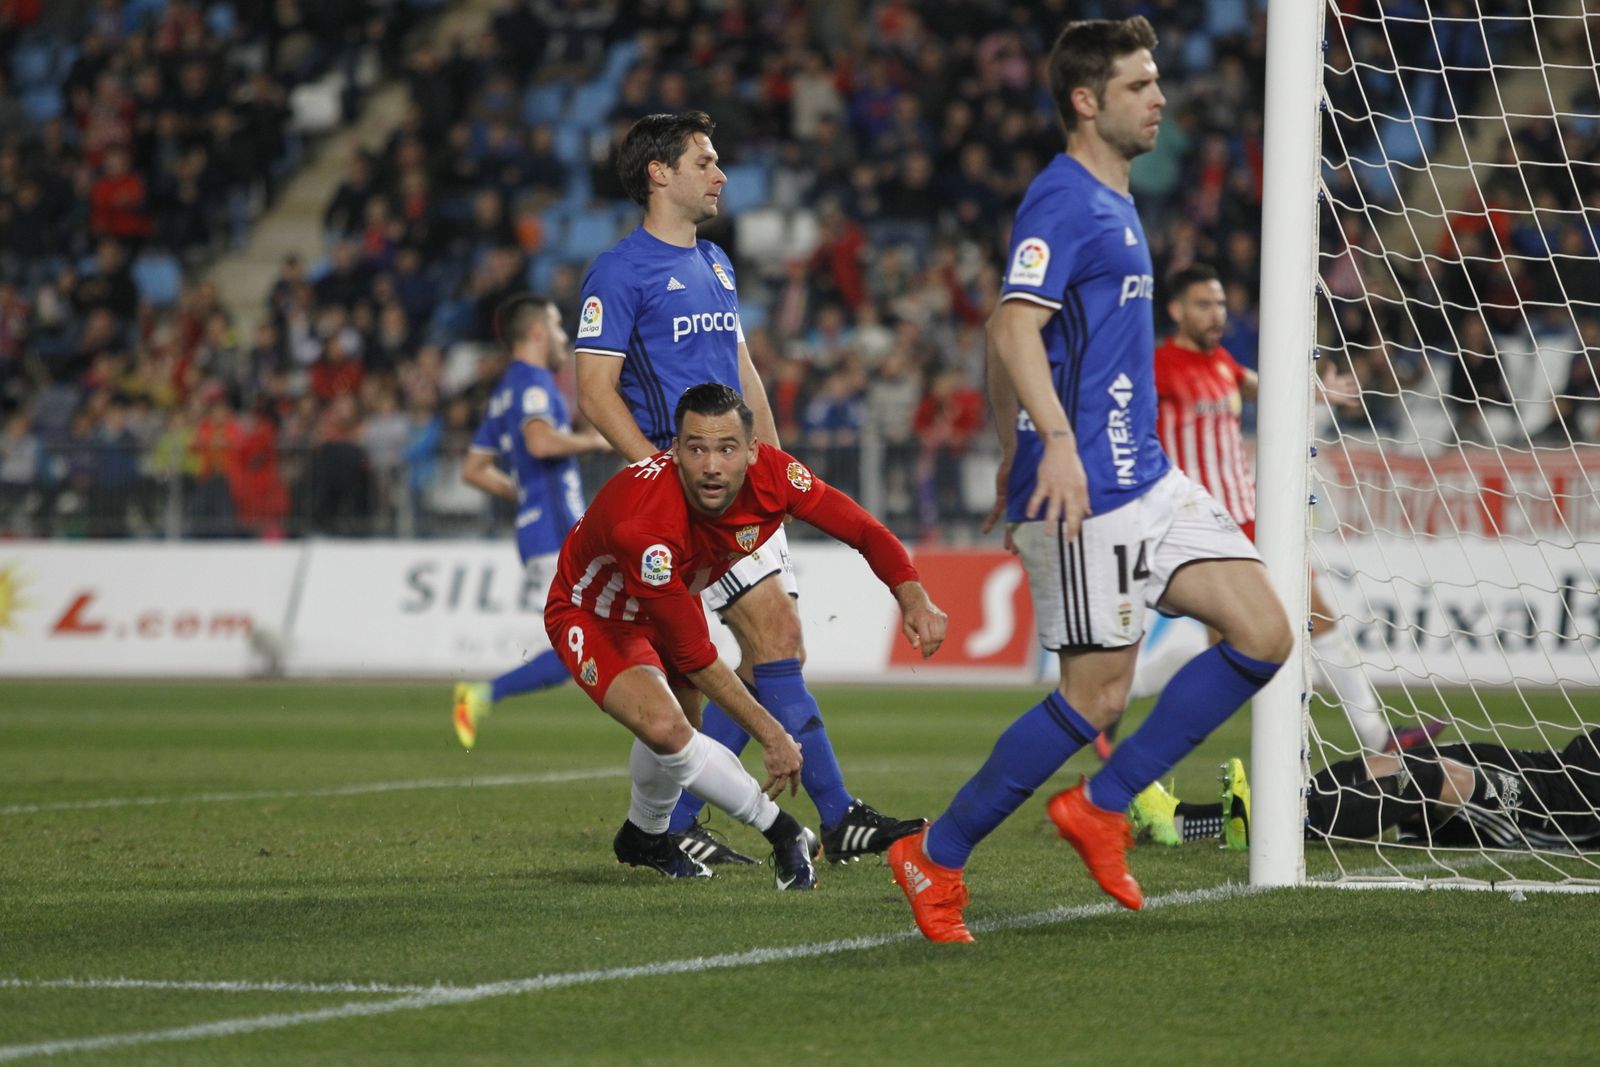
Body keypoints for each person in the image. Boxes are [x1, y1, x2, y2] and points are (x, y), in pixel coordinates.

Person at [887, 16, 1293, 944]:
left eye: (1157, 81)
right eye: (1139, 85)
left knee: (1266, 630)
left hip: (1147, 475)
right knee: (1096, 697)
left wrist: (1009, 447)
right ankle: (935, 854)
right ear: (1085, 100)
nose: (1160, 99)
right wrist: (1052, 448)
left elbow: (1007, 331)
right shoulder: (1064, 198)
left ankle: (1102, 804)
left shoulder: (1114, 198)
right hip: (1090, 491)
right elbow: (1012, 325)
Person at [573, 110, 925, 867]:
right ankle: (835, 816)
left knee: (755, 660)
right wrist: (659, 475)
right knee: (772, 640)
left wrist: (770, 464)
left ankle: (675, 824)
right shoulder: (619, 272)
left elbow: (742, 371)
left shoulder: (716, 263)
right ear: (659, 173)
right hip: (692, 493)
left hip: (742, 482)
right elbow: (595, 391)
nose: (720, 174)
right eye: (705, 161)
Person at [545, 383, 947, 886]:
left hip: (670, 596)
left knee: (679, 727)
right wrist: (772, 736)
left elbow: (863, 530)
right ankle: (784, 833)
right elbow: (695, 657)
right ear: (675, 452)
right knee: (666, 727)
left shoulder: (776, 476)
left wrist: (913, 596)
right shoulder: (645, 527)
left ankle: (644, 835)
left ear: (753, 451)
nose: (712, 466)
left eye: (727, 448)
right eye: (697, 449)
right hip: (594, 612)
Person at [1106, 263, 1442, 755]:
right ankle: (1122, 694)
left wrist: (1321, 391)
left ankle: (1377, 736)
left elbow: (1263, 387)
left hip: (1251, 516)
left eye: (1221, 304)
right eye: (1203, 304)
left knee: (1314, 618)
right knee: (1230, 647)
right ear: (1176, 310)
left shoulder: (1223, 364)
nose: (1217, 313)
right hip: (1197, 525)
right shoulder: (1156, 367)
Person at [451, 293, 611, 749]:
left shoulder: (506, 390)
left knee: (589, 638)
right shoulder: (535, 383)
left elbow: (474, 469)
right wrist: (593, 441)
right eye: (558, 327)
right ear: (538, 332)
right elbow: (540, 443)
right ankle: (480, 695)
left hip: (538, 530)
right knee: (579, 644)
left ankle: (481, 695)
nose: (564, 337)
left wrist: (524, 496)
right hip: (558, 531)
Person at [1131, 729, 1600, 853]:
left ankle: (1273, 825)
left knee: (1432, 780)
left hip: (1558, 807)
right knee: (1387, 764)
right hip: (1545, 765)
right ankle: (1185, 822)